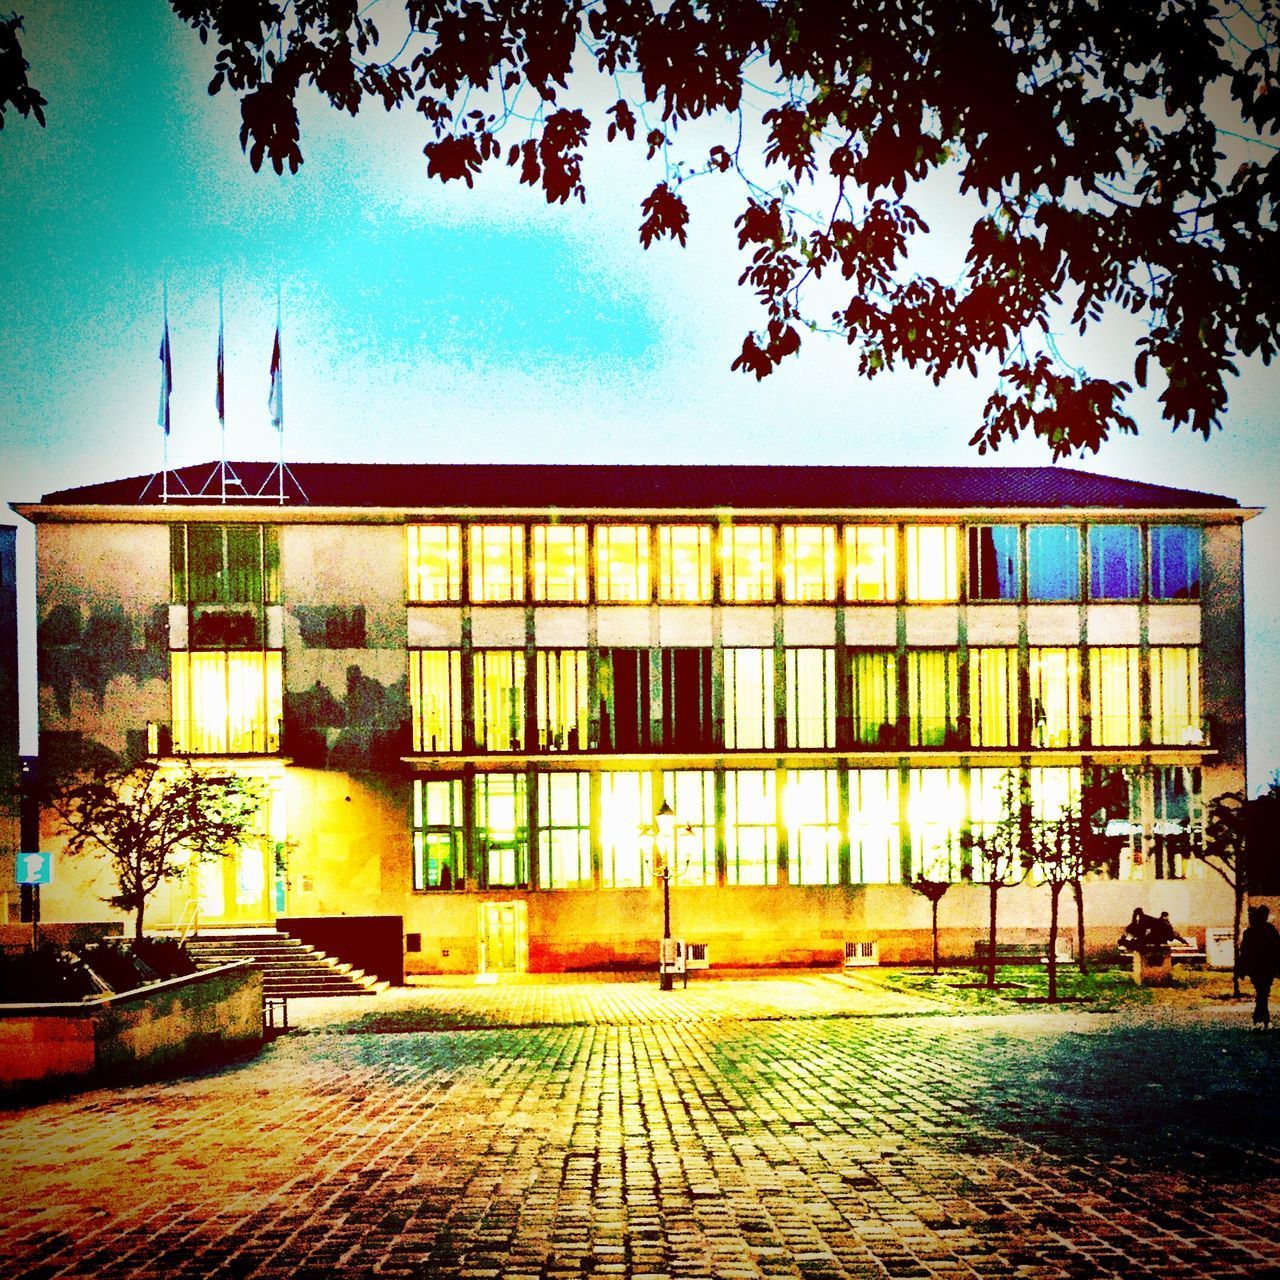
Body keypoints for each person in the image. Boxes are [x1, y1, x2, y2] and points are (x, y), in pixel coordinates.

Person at [1237, 905, 1280, 1029]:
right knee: (1263, 992)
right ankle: (1262, 1017)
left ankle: (1260, 1017)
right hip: (1267, 966)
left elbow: (1244, 951)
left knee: (1261, 991)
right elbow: (1277, 948)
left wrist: (1242, 967)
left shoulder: (1250, 932)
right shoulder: (1270, 930)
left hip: (1256, 967)